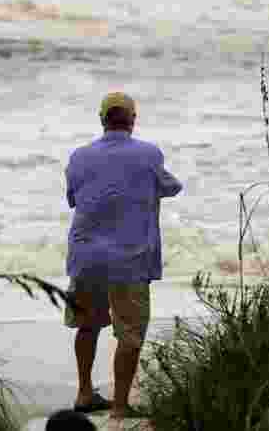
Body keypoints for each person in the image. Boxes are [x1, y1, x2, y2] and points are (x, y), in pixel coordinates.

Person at [63, 92, 183, 420]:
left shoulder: (79, 156)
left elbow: (73, 198)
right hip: (130, 259)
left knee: (87, 326)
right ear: (132, 119)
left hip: (86, 256)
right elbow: (172, 187)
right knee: (129, 333)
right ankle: (119, 406)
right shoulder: (149, 154)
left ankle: (84, 393)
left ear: (102, 120)